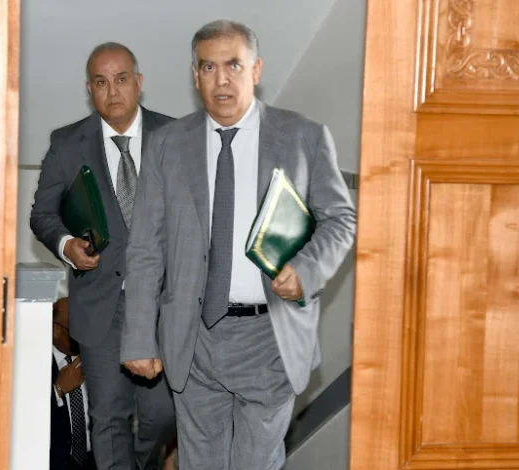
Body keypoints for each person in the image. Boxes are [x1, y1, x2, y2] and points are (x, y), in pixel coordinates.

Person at [120, 19, 356, 470]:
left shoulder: (303, 136)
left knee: (256, 461)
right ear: (195, 76)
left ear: (257, 70)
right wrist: (138, 336)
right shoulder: (167, 145)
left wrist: (306, 271)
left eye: (233, 65)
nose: (221, 80)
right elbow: (146, 248)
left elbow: (341, 220)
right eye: (208, 67)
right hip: (192, 338)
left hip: (270, 335)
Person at [31, 42, 176, 470]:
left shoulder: (177, 136)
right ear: (89, 89)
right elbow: (42, 215)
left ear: (139, 82)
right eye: (101, 82)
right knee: (108, 419)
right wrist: (66, 246)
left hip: (162, 304)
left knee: (162, 415)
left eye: (121, 79)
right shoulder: (66, 143)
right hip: (99, 306)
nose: (112, 91)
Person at [51, 297, 95, 470]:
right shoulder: (35, 363)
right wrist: (58, 390)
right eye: (76, 329)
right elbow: (27, 415)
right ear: (56, 330)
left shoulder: (98, 359)